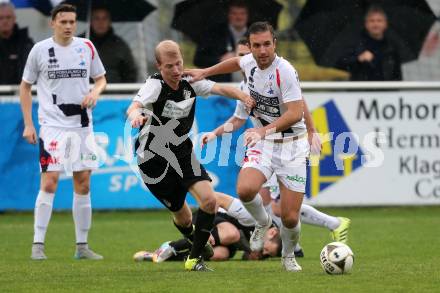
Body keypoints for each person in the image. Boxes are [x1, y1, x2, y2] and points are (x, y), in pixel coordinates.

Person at [186, 21, 310, 272]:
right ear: (250, 47)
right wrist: (205, 72)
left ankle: (288, 256)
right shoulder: (248, 65)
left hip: (292, 146)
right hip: (264, 143)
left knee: (289, 217)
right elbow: (235, 63)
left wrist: (262, 130)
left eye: (266, 44)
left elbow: (296, 113)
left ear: (274, 44)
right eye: (256, 46)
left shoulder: (284, 71)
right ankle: (262, 223)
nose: (262, 51)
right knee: (244, 189)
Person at [126, 40, 254, 272]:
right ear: (158, 65)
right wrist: (136, 115)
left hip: (182, 153)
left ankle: (194, 259)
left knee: (209, 200)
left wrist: (241, 95)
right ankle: (196, 240)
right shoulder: (154, 85)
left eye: (179, 64)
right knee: (183, 218)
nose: (176, 71)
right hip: (153, 161)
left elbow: (219, 89)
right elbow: (134, 105)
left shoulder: (188, 82)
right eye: (169, 67)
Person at [19, 4, 107, 260]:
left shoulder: (87, 47)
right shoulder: (40, 50)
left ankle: (82, 247)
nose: (69, 26)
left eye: (72, 21)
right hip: (52, 126)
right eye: (63, 21)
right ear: (53, 23)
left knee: (83, 182)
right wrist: (28, 123)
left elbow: (101, 79)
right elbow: (25, 87)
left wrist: (94, 92)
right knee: (50, 181)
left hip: (81, 126)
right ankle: (38, 245)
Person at [337, 5, 405, 81]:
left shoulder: (392, 47)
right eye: (372, 21)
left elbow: (397, 74)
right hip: (361, 91)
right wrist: (358, 59)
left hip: (385, 91)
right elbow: (340, 66)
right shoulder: (355, 45)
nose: (375, 24)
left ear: (385, 24)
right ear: (366, 24)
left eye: (379, 20)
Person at [193, 0, 248, 82]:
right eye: (234, 13)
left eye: (242, 13)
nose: (239, 17)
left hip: (250, 87)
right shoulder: (213, 34)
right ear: (228, 15)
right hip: (222, 86)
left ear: (247, 15)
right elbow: (198, 59)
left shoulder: (255, 35)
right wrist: (219, 60)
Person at [80, 6, 137, 83]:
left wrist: (122, 93)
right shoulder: (80, 43)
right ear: (91, 21)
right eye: (97, 18)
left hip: (114, 93)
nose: (101, 22)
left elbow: (130, 73)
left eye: (104, 18)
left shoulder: (120, 45)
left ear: (109, 21)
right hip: (86, 93)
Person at [0, 2, 34, 85]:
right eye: (1, 18)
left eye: (8, 17)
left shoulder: (27, 44)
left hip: (19, 94)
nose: (5, 21)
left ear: (14, 19)